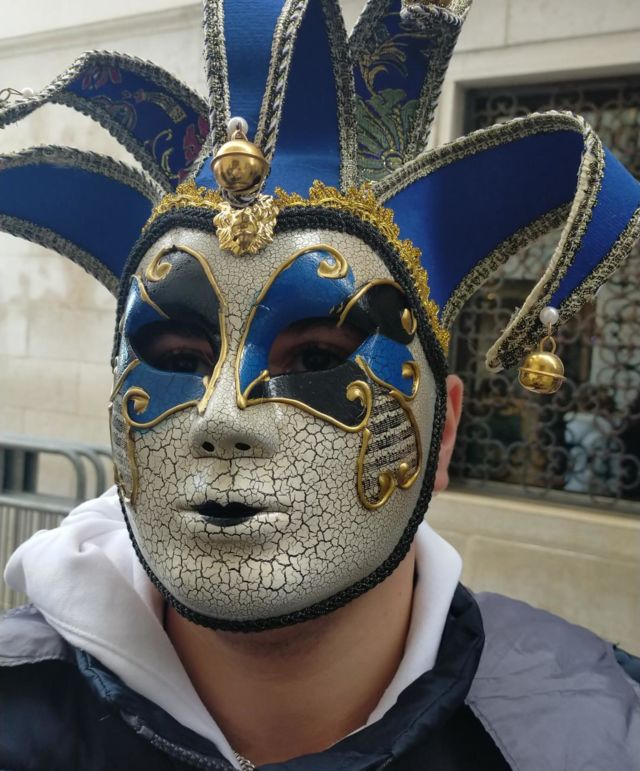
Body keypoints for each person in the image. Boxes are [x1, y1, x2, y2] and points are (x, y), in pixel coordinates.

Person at [1, 1, 640, 768]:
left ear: (444, 434)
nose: (221, 417)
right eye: (175, 354)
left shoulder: (595, 734)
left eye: (315, 358)